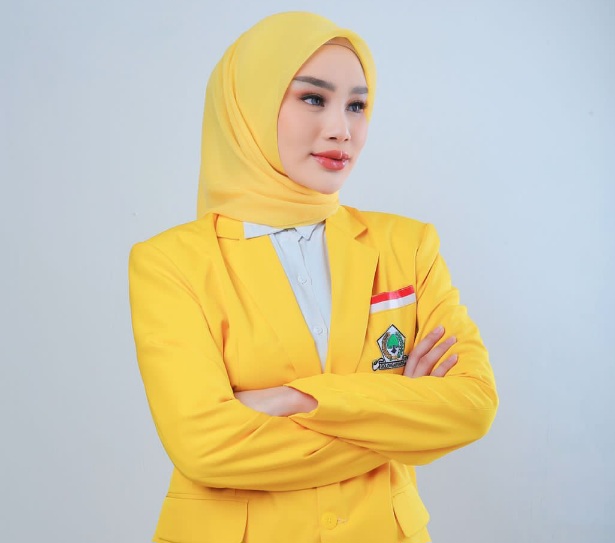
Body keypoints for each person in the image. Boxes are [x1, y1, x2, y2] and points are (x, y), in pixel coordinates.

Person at [129, 11, 498, 543]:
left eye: (356, 106)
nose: (341, 129)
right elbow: (205, 447)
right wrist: (399, 412)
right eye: (312, 98)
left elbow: (473, 405)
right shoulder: (170, 263)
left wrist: (295, 400)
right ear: (248, 107)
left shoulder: (408, 246)